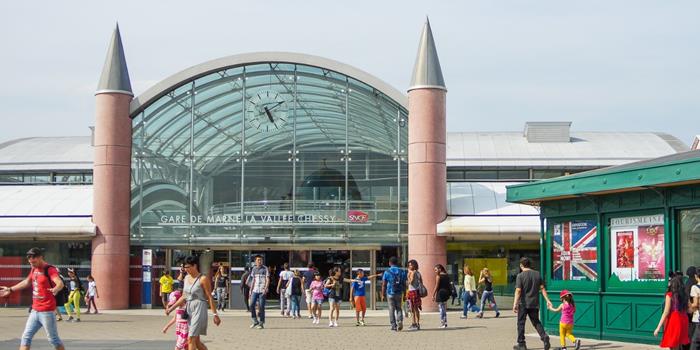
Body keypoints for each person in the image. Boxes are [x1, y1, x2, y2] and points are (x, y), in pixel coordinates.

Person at [0, 247, 65, 350]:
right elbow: (27, 282)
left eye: (34, 262)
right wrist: (10, 289)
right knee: (26, 337)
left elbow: (59, 282)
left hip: (47, 312)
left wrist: (56, 288)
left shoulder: (50, 269)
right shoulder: (34, 269)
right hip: (35, 311)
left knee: (53, 339)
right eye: (30, 262)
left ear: (40, 257)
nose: (32, 264)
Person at [166, 255, 221, 350]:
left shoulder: (203, 279)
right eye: (184, 267)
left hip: (199, 308)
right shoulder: (186, 278)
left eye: (187, 267)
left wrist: (215, 314)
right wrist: (171, 309)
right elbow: (184, 296)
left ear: (194, 266)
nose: (185, 269)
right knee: (197, 342)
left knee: (190, 339)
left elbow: (209, 296)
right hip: (189, 309)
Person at [512, 257, 553, 350]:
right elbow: (542, 288)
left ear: (521, 265)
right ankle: (544, 337)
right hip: (534, 303)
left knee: (521, 323)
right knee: (536, 321)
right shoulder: (537, 274)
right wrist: (548, 300)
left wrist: (515, 303)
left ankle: (521, 344)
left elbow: (518, 290)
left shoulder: (520, 276)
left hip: (523, 303)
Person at [654, 274, 690, 349]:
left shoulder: (670, 295)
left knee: (673, 343)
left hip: (674, 320)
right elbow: (688, 309)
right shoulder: (684, 295)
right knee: (679, 343)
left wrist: (658, 327)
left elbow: (666, 312)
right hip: (683, 318)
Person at [382, 256, 407, 331]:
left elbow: (384, 284)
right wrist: (405, 293)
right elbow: (404, 283)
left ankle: (393, 325)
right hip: (399, 292)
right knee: (399, 308)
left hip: (390, 292)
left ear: (390, 263)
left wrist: (382, 294)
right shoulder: (402, 271)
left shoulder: (387, 271)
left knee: (391, 309)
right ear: (397, 263)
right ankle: (400, 321)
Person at [162, 282, 187, 350]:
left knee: (177, 348)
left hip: (185, 330)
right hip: (179, 329)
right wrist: (166, 327)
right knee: (185, 348)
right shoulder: (178, 307)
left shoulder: (187, 307)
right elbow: (175, 318)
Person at [246, 255, 269, 329]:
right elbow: (253, 280)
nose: (259, 261)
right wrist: (250, 289)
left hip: (262, 290)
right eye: (258, 260)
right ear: (255, 261)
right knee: (251, 304)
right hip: (255, 290)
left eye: (261, 260)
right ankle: (255, 321)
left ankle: (261, 323)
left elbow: (267, 279)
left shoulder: (265, 269)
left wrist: (266, 288)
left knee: (261, 306)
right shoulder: (254, 269)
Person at [406, 260, 424, 330]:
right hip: (417, 291)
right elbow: (421, 282)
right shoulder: (418, 273)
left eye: (411, 265)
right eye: (409, 265)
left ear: (414, 265)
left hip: (412, 291)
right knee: (416, 308)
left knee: (413, 309)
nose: (410, 266)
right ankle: (417, 323)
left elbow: (410, 282)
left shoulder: (412, 273)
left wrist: (408, 276)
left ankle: (414, 324)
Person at [432, 264, 451, 329]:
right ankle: (445, 322)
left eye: (436, 270)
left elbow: (436, 286)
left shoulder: (438, 276)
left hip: (440, 293)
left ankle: (443, 323)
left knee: (441, 309)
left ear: (440, 269)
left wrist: (433, 295)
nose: (435, 271)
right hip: (446, 293)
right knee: (444, 309)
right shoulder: (447, 275)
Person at [688, 267, 699, 350]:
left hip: (698, 318)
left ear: (696, 276)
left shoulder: (695, 287)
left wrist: (689, 304)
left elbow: (695, 304)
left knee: (695, 343)